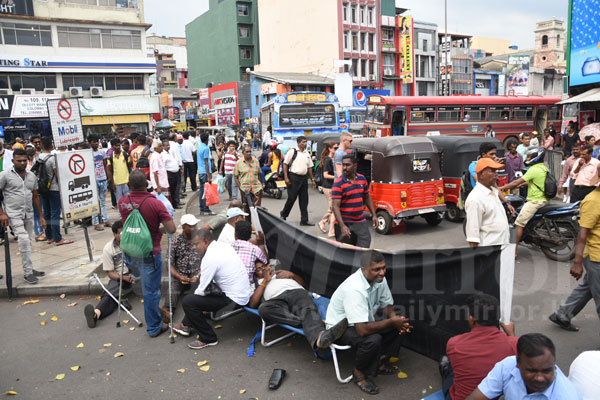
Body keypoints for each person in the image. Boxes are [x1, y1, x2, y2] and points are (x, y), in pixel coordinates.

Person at [326, 250, 411, 395]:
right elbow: (362, 330)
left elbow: (387, 305)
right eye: (376, 269)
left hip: (361, 321)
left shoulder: (379, 280)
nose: (382, 272)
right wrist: (392, 321)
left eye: (383, 267)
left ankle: (379, 362)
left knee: (401, 323)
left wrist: (397, 320)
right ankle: (359, 373)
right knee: (372, 339)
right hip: (340, 327)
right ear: (364, 269)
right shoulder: (354, 289)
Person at [118, 170, 176, 337]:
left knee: (145, 288)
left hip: (130, 252)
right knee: (151, 291)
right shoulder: (156, 204)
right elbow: (171, 228)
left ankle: (155, 313)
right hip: (150, 253)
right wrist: (158, 230)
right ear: (147, 185)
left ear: (129, 185)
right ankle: (154, 327)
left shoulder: (122, 202)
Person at [177, 229, 254, 349]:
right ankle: (185, 325)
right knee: (197, 293)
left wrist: (193, 304)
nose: (194, 247)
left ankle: (208, 338)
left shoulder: (209, 258)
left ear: (206, 242)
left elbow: (201, 291)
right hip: (243, 292)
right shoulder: (222, 246)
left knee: (188, 302)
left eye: (196, 244)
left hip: (234, 300)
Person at [247, 262, 349, 352]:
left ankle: (319, 339)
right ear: (255, 274)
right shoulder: (258, 284)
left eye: (264, 266)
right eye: (259, 269)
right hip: (276, 300)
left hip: (296, 292)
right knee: (263, 309)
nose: (263, 269)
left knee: (307, 309)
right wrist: (265, 280)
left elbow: (304, 285)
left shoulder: (280, 273)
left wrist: (292, 275)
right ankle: (315, 322)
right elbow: (253, 304)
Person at [549, 170, 600, 332]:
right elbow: (582, 233)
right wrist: (577, 262)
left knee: (588, 288)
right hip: (596, 258)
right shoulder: (593, 201)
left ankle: (563, 314)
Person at [443, 294, 518, 400]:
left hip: (461, 397)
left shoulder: (454, 344)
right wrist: (511, 334)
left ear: (471, 319)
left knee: (452, 371)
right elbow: (516, 357)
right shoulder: (514, 343)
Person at [466, 333, 582, 400]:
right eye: (532, 371)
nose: (540, 378)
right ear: (518, 363)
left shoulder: (567, 396)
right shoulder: (507, 366)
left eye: (547, 371)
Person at [0, 148, 47, 284]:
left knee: (29, 240)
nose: (22, 163)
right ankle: (27, 273)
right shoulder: (5, 175)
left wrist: (41, 216)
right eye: (19, 161)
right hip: (13, 213)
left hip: (29, 213)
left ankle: (30, 268)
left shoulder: (31, 176)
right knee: (24, 240)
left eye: (24, 161)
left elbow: (35, 196)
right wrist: (2, 213)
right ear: (12, 161)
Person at [500, 147, 549, 258]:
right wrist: (520, 184)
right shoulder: (544, 168)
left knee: (519, 224)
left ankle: (514, 251)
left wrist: (503, 187)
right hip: (544, 199)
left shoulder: (534, 169)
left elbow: (517, 181)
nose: (528, 158)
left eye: (529, 156)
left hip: (535, 201)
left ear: (536, 157)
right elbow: (531, 182)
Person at [83, 221, 134, 328]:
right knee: (111, 294)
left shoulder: (132, 242)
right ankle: (96, 314)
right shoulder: (108, 249)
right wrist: (123, 277)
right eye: (121, 233)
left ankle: (98, 312)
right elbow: (110, 273)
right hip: (120, 277)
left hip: (134, 273)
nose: (124, 235)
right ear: (115, 234)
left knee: (113, 294)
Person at [158, 214, 202, 325]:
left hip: (198, 275)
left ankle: (203, 311)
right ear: (183, 227)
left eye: (196, 225)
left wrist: (198, 275)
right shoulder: (175, 241)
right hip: (181, 275)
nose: (196, 228)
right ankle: (167, 311)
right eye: (192, 226)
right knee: (173, 286)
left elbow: (209, 261)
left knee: (204, 288)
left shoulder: (200, 240)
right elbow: (169, 263)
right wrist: (179, 276)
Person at [332, 154, 377, 248]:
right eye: (343, 165)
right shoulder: (338, 183)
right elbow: (335, 206)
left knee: (364, 248)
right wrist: (342, 226)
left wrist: (374, 215)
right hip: (344, 223)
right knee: (346, 254)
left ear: (355, 166)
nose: (344, 167)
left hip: (360, 222)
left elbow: (367, 197)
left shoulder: (362, 179)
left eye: (347, 165)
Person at [465, 158, 510, 248]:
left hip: (502, 249)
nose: (496, 174)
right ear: (481, 175)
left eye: (496, 171)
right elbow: (473, 237)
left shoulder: (493, 192)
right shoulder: (475, 199)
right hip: (489, 252)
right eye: (492, 171)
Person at [34, 137, 71, 246]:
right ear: (52, 146)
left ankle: (49, 236)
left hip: (42, 189)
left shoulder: (37, 157)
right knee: (55, 213)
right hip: (53, 188)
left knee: (47, 212)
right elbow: (57, 174)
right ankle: (58, 238)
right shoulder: (52, 158)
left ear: (41, 146)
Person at [280, 136, 316, 225]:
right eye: (303, 142)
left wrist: (313, 179)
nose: (305, 144)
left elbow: (310, 168)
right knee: (291, 198)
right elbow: (285, 164)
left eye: (306, 142)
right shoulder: (292, 152)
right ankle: (283, 215)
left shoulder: (307, 154)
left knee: (304, 200)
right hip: (293, 177)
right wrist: (286, 177)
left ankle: (304, 220)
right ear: (299, 143)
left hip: (304, 179)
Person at [232, 220, 268, 285]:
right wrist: (261, 244)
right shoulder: (255, 249)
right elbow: (266, 261)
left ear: (235, 235)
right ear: (250, 235)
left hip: (229, 285)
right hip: (248, 287)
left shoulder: (229, 247)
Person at [88, 134, 111, 231]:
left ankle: (105, 220)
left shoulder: (102, 152)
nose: (96, 143)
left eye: (97, 141)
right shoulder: (87, 153)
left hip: (103, 178)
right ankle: (96, 222)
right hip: (93, 180)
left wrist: (108, 176)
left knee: (103, 201)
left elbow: (105, 165)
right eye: (94, 142)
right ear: (89, 143)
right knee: (94, 202)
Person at [318, 141, 337, 238]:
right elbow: (325, 175)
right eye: (335, 148)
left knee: (332, 208)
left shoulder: (333, 159)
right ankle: (331, 230)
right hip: (328, 187)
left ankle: (323, 221)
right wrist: (337, 177)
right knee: (334, 208)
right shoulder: (328, 160)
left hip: (332, 186)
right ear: (329, 149)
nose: (336, 150)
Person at [106, 138, 131, 206]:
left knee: (128, 202)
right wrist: (112, 183)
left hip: (126, 182)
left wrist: (130, 180)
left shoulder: (126, 155)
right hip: (117, 183)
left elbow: (129, 168)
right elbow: (109, 171)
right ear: (112, 146)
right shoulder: (110, 157)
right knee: (120, 202)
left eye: (118, 145)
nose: (117, 147)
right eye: (115, 146)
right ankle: (121, 216)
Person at [161, 139, 182, 209]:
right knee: (172, 191)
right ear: (163, 146)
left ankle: (175, 203)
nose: (168, 146)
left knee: (175, 189)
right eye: (167, 145)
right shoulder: (163, 154)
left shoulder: (168, 153)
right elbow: (163, 166)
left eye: (168, 145)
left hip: (175, 173)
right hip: (170, 174)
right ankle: (174, 205)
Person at [197, 132, 214, 215]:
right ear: (207, 139)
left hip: (200, 172)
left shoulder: (199, 147)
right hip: (205, 172)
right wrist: (208, 176)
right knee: (206, 192)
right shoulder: (206, 148)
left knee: (202, 191)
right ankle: (206, 209)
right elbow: (206, 162)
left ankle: (202, 208)